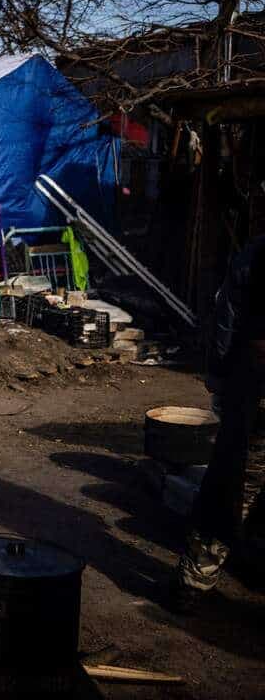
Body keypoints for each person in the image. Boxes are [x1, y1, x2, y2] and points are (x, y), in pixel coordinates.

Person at [171, 236, 265, 611]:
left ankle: (195, 582)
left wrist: (221, 376)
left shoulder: (255, 253)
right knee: (235, 481)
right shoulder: (254, 255)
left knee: (233, 482)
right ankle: (196, 583)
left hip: (254, 385)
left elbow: (227, 316)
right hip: (255, 384)